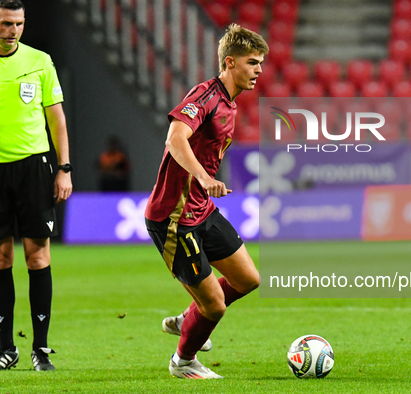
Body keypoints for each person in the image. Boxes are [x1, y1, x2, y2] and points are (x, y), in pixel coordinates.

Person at [145, 23, 268, 379]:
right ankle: (183, 362)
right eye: (252, 62)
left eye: (260, 63)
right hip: (173, 216)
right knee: (215, 305)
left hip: (202, 210)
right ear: (230, 62)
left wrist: (204, 185)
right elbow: (175, 138)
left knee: (248, 280)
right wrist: (203, 177)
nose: (258, 70)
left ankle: (189, 317)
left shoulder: (229, 104)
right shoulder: (205, 97)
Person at [0, 0, 72, 371]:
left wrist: (64, 168)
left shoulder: (40, 61)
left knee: (37, 256)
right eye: (7, 24)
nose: (13, 30)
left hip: (34, 167)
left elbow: (56, 117)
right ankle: (5, 348)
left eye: (20, 24)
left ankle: (40, 350)